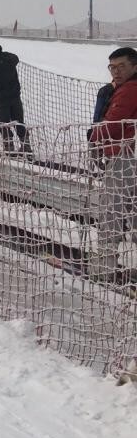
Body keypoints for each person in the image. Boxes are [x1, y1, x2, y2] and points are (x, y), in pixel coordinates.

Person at [88, 47, 137, 277]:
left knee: (111, 213)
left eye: (122, 66)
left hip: (123, 157)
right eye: (112, 67)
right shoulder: (122, 88)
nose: (116, 72)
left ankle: (103, 268)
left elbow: (112, 124)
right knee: (132, 213)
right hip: (128, 155)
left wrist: (93, 137)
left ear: (134, 66)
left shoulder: (129, 89)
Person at [0, 43, 29, 153]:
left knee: (4, 124)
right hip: (15, 98)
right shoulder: (10, 61)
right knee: (19, 122)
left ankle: (9, 148)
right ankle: (26, 146)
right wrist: (2, 54)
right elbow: (15, 57)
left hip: (0, 102)